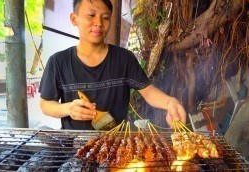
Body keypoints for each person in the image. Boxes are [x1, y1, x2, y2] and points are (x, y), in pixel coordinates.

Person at [39, 0, 186, 130]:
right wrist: (68, 108)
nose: (99, 23)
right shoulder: (58, 61)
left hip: (116, 146)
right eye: (91, 15)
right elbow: (45, 104)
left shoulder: (124, 59)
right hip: (73, 147)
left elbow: (148, 91)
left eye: (105, 17)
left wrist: (169, 102)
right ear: (74, 18)